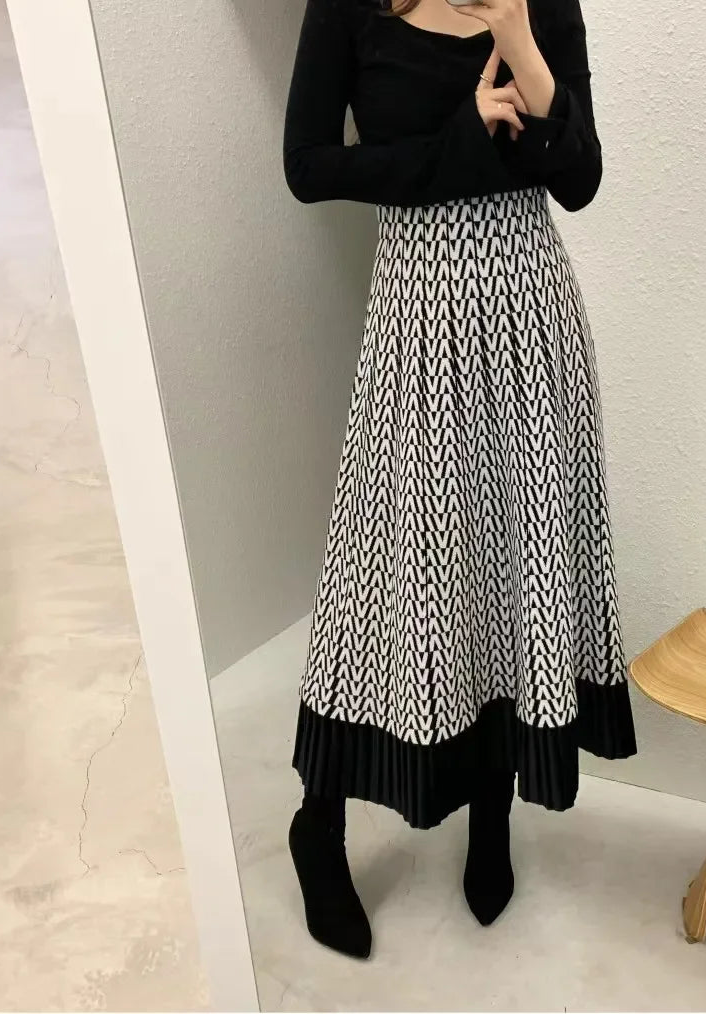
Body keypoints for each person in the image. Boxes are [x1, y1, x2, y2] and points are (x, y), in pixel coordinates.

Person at [283, 0, 637, 960]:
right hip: (417, 321)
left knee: (511, 572)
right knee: (379, 576)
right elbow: (307, 167)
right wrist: (460, 143)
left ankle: (492, 810)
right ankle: (318, 821)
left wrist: (520, 40)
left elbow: (582, 179)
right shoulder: (350, 7)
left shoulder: (542, 4)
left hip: (531, 322)